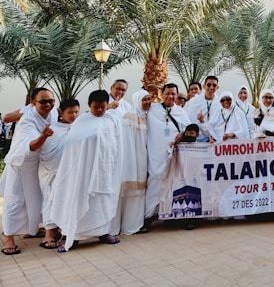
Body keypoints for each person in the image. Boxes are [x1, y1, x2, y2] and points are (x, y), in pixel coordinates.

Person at [51, 90, 123, 252]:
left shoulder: (113, 120)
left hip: (106, 169)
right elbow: (72, 148)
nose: (99, 110)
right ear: (89, 105)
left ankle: (104, 232)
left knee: (103, 201)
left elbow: (119, 145)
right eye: (96, 107)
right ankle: (75, 236)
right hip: (84, 171)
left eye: (102, 107)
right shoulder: (82, 121)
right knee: (80, 199)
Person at [0, 88, 58, 255]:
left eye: (51, 101)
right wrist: (44, 136)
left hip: (38, 164)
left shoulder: (53, 112)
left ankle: (29, 229)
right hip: (20, 163)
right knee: (14, 200)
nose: (48, 104)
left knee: (35, 198)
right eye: (43, 102)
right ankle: (9, 238)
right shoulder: (27, 118)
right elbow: (31, 146)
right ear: (33, 102)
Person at [144, 83, 190, 227]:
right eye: (168, 93)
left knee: (176, 183)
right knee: (155, 182)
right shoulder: (153, 109)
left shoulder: (181, 112)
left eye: (173, 94)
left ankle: (174, 216)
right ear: (162, 94)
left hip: (175, 154)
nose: (170, 96)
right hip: (157, 153)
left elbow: (190, 129)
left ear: (177, 96)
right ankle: (148, 216)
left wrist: (182, 134)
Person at [38, 98, 80, 249]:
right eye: (70, 112)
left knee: (68, 199)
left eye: (76, 112)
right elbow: (46, 151)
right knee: (51, 198)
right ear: (61, 112)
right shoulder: (52, 128)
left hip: (71, 171)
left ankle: (66, 230)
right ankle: (49, 233)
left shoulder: (80, 127)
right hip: (52, 171)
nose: (74, 115)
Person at [111, 90, 150, 236]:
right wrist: (130, 163)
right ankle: (115, 228)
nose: (147, 102)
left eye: (149, 99)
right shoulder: (128, 117)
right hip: (129, 161)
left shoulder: (147, 116)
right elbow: (126, 143)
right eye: (144, 100)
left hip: (141, 160)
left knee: (138, 194)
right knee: (124, 194)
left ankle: (132, 225)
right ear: (137, 100)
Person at [185, 75, 220, 142]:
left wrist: (213, 135)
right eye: (209, 85)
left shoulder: (219, 102)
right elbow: (190, 119)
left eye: (214, 85)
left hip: (214, 138)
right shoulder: (194, 101)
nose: (211, 87)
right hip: (197, 138)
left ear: (217, 87)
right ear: (204, 86)